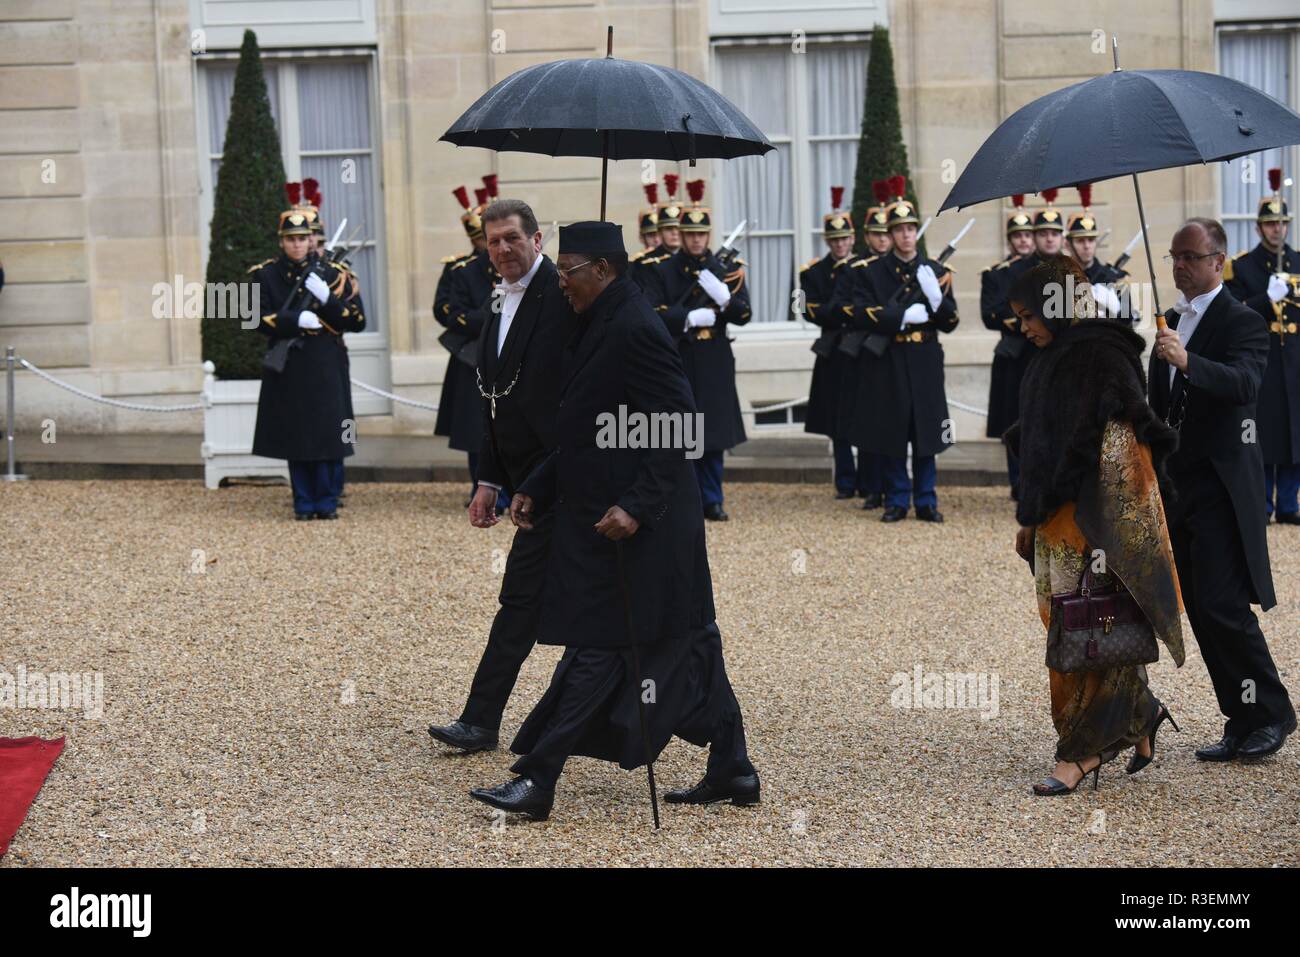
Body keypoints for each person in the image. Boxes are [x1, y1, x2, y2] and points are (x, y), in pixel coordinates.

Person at [468, 222, 759, 821]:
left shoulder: (634, 326)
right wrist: (538, 485)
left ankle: (537, 779)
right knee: (693, 641)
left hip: (645, 526)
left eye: (568, 271)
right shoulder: (594, 320)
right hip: (610, 515)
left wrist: (637, 504)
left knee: (599, 647)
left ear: (601, 269)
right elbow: (583, 428)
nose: (560, 283)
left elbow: (681, 424)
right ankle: (734, 767)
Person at [1003, 255, 1185, 795]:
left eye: (1029, 315)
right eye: (1018, 317)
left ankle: (1082, 752)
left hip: (1094, 529)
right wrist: (1030, 516)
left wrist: (1104, 532)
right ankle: (1141, 713)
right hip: (1054, 525)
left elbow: (1124, 454)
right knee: (1078, 630)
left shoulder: (1105, 355)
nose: (1024, 327)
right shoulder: (1048, 356)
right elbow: (1038, 445)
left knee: (1088, 634)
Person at [427, 199, 574, 754]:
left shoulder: (563, 298)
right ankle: (481, 720)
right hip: (525, 482)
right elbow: (495, 400)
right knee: (520, 603)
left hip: (569, 482)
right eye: (493, 242)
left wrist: (537, 482)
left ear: (538, 240)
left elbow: (573, 405)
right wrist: (490, 480)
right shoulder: (497, 298)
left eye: (513, 238)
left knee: (594, 613)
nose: (503, 249)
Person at [1150, 217, 1296, 761]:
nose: (1179, 265)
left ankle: (1273, 713)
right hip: (1177, 485)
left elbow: (1245, 385)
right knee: (1202, 608)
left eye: (1189, 256)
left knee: (1224, 603)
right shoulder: (1170, 324)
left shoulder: (1243, 321)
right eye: (1173, 256)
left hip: (1221, 484)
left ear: (1219, 261)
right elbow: (1160, 406)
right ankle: (1240, 719)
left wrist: (1187, 361)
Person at [848, 176, 957, 523]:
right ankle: (897, 499)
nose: (906, 235)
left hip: (924, 359)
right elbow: (861, 313)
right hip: (891, 358)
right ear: (891, 234)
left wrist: (936, 298)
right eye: (900, 230)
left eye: (911, 229)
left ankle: (926, 500)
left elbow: (951, 321)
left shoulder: (936, 272)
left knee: (926, 432)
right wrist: (900, 316)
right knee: (894, 431)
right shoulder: (873, 272)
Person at [250, 198, 366, 519]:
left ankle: (327, 501)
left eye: (302, 238)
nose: (298, 244)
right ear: (281, 241)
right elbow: (252, 318)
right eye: (291, 238)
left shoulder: (332, 273)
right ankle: (303, 501)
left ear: (312, 239)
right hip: (290, 364)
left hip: (326, 360)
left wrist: (328, 300)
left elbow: (357, 321)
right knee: (296, 434)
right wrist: (292, 321)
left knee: (330, 434)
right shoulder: (265, 274)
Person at [643, 180, 752, 521]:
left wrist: (724, 297)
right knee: (679, 430)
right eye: (689, 234)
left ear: (707, 235)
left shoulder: (726, 271)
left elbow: (745, 315)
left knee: (713, 433)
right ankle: (682, 497)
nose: (695, 240)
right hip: (680, 357)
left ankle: (712, 498)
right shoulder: (662, 270)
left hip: (715, 357)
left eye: (701, 234)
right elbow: (651, 314)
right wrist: (687, 317)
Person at [1224, 169, 1300, 524]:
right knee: (1264, 431)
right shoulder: (1242, 266)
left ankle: (1288, 504)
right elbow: (1234, 313)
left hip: (1295, 359)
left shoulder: (1299, 262)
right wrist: (1266, 298)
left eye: (1282, 222)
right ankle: (1264, 504)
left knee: (1294, 431)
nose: (1277, 229)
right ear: (1258, 228)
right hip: (1263, 358)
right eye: (1270, 224)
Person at [437, 183, 504, 507]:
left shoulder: (513, 268)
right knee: (474, 427)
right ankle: (479, 486)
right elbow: (451, 313)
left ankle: (506, 489)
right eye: (482, 239)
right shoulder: (462, 271)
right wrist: (492, 313)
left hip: (506, 355)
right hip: (472, 356)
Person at [802, 187, 868, 500]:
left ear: (852, 239)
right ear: (828, 242)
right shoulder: (814, 272)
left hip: (861, 350)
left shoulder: (865, 268)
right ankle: (845, 480)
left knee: (866, 414)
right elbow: (805, 307)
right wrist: (840, 311)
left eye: (845, 239)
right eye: (835, 240)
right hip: (832, 350)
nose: (840, 244)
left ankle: (868, 481)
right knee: (838, 420)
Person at [982, 194, 1036, 498]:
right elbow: (991, 313)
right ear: (1010, 240)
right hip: (1012, 357)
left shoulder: (1045, 270)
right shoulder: (997, 274)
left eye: (1028, 235)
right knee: (1012, 421)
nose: (1024, 241)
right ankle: (1017, 482)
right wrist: (1024, 320)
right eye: (1018, 236)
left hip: (1037, 353)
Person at [1065, 184, 1131, 322]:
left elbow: (1128, 323)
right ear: (1067, 245)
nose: (1087, 246)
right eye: (1080, 240)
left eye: (1091, 240)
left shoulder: (1115, 277)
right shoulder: (1058, 277)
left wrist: (1115, 310)